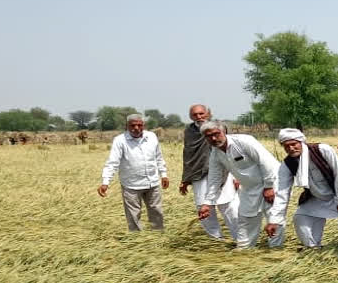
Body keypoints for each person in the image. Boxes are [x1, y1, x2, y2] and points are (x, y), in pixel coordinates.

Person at [265, 128, 338, 251]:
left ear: (301, 142)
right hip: (318, 195)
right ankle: (313, 248)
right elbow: (282, 193)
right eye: (286, 146)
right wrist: (274, 220)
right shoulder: (287, 164)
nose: (291, 148)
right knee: (300, 216)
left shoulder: (321, 150)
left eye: (293, 144)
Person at [199, 120, 281, 249]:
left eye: (216, 133)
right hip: (249, 189)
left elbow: (266, 163)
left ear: (224, 131)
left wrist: (269, 187)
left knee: (274, 218)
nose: (214, 138)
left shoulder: (244, 141)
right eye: (209, 136)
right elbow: (215, 179)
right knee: (246, 219)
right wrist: (208, 203)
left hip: (272, 183)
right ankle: (244, 251)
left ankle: (276, 251)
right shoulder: (215, 154)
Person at [178, 104, 240, 240]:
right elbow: (188, 154)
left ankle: (241, 239)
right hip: (198, 174)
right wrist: (185, 178)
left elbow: (232, 151)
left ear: (208, 114)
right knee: (204, 207)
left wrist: (236, 175)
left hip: (224, 171)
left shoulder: (219, 127)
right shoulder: (189, 131)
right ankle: (216, 240)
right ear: (190, 117)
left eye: (201, 113)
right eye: (195, 115)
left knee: (229, 206)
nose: (198, 117)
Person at [98, 114, 169, 231]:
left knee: (157, 212)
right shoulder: (120, 141)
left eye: (139, 125)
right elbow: (112, 162)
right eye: (133, 125)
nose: (136, 128)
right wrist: (105, 182)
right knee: (133, 216)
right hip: (131, 185)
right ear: (127, 126)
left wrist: (164, 174)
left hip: (152, 183)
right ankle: (137, 242)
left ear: (144, 125)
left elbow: (159, 157)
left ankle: (158, 237)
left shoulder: (151, 137)